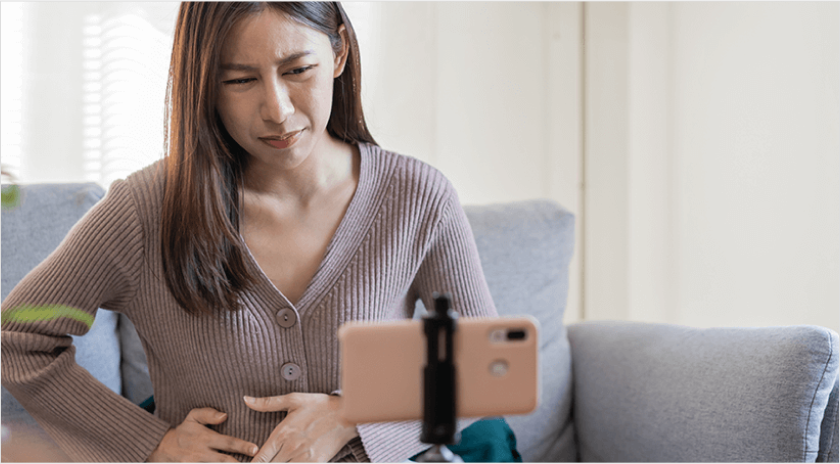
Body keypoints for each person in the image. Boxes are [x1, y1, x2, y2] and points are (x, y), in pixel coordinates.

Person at [0, 2, 502, 462]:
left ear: (339, 51)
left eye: (298, 70)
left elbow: (488, 366)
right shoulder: (146, 207)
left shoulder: (418, 196)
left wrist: (352, 415)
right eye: (240, 80)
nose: (277, 110)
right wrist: (150, 444)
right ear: (204, 84)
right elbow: (15, 337)